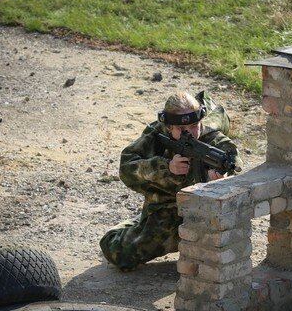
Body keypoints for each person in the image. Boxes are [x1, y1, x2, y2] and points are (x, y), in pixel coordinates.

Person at [100, 91, 242, 271]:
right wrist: (166, 168)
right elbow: (127, 167)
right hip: (166, 209)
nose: (190, 133)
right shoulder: (156, 136)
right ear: (169, 128)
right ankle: (136, 225)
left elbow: (233, 160)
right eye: (182, 130)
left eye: (194, 125)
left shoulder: (210, 138)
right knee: (121, 255)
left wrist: (222, 178)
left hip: (202, 210)